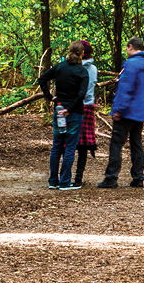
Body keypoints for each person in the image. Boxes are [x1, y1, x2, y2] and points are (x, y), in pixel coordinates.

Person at [99, 37, 144, 188]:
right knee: (136, 143)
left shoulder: (132, 64)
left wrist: (118, 110)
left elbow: (126, 89)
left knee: (116, 144)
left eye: (126, 48)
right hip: (141, 112)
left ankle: (111, 177)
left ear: (130, 47)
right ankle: (138, 177)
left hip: (128, 111)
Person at [35, 41, 91, 190]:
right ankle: (65, 182)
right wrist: (70, 109)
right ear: (81, 54)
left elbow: (42, 79)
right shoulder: (82, 72)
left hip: (59, 110)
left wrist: (49, 96)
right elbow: (81, 94)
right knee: (70, 147)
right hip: (74, 113)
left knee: (57, 146)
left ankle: (53, 180)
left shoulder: (59, 68)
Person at [75, 41, 100, 186]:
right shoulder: (94, 69)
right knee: (83, 147)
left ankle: (64, 176)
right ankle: (78, 177)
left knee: (69, 144)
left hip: (75, 107)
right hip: (88, 107)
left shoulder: (75, 68)